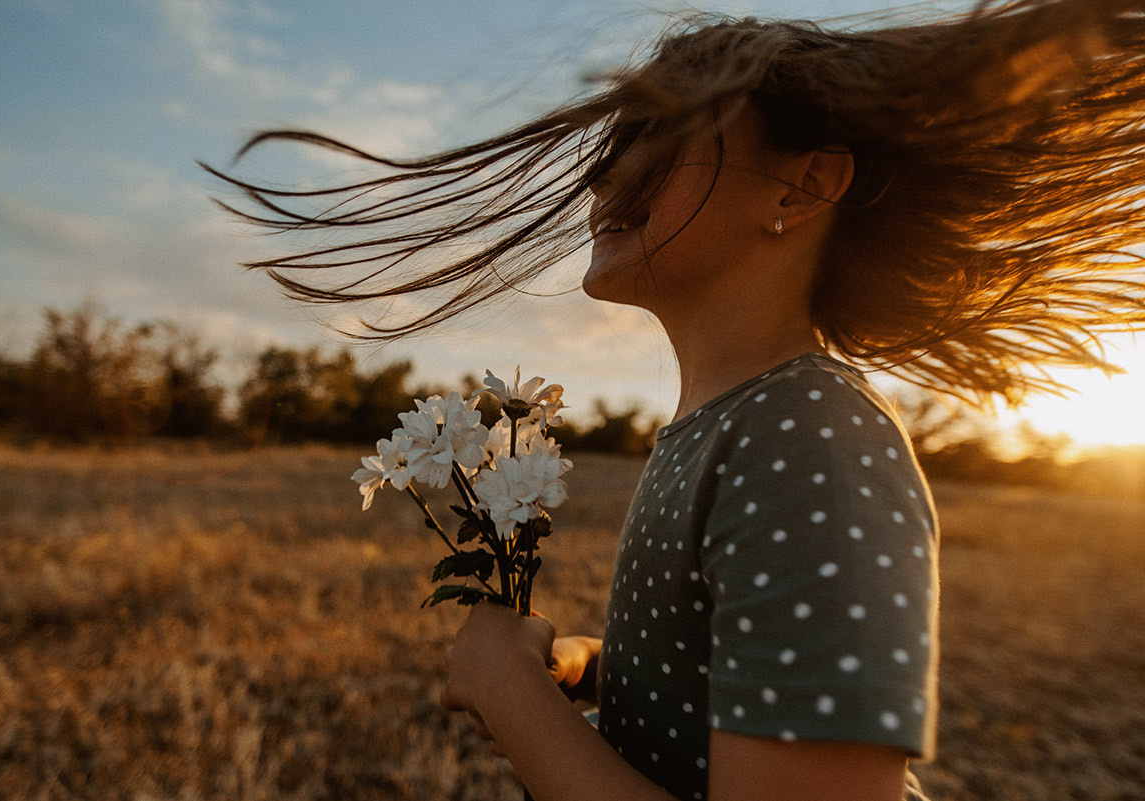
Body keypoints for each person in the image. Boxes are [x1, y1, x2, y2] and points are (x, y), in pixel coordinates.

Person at [207, 1, 1145, 798]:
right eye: (613, 142)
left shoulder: (810, 434)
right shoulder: (730, 422)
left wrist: (509, 691)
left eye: (655, 136)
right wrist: (595, 668)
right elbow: (739, 683)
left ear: (805, 183)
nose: (602, 175)